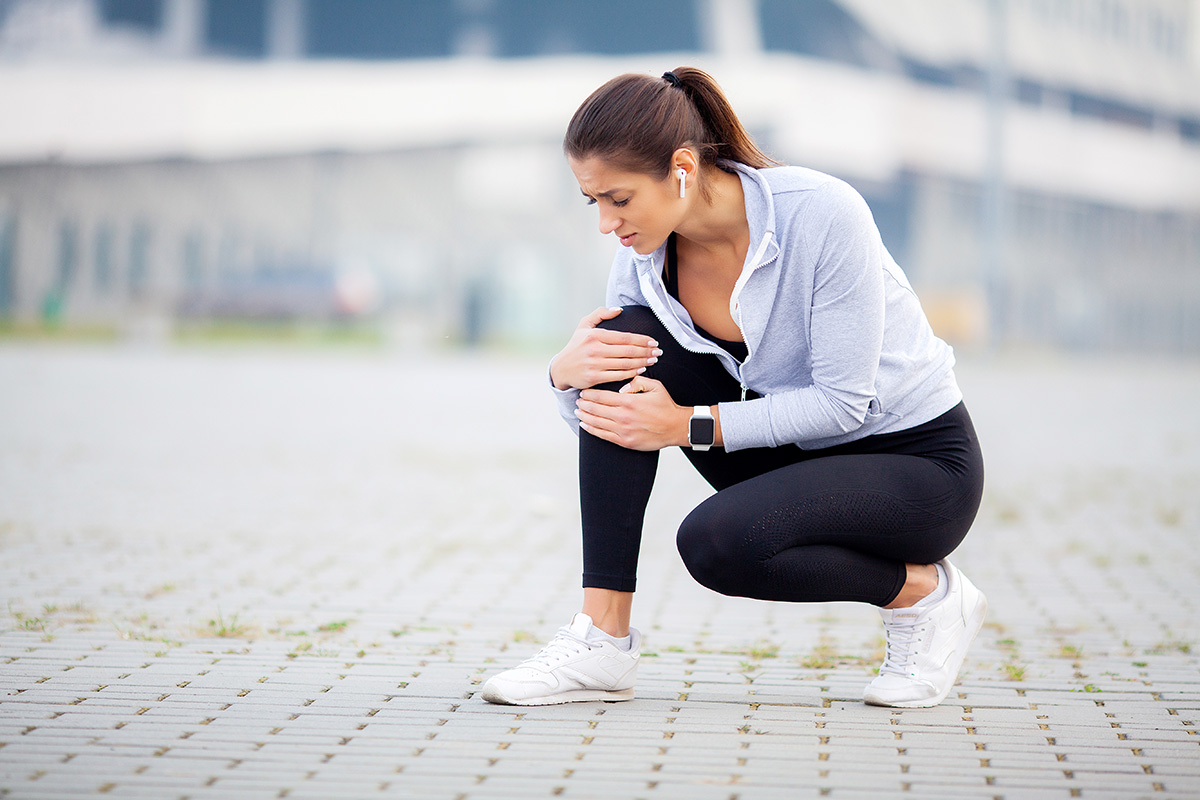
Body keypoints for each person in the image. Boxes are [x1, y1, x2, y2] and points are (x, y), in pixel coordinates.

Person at [480, 67, 986, 709]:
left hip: (915, 468)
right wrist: (564, 376)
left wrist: (686, 424)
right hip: (793, 453)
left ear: (682, 168)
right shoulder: (644, 255)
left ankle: (927, 598)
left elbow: (842, 402)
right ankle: (601, 640)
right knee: (622, 341)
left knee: (715, 544)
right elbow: (616, 414)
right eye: (595, 203)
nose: (607, 223)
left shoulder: (821, 214)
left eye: (619, 198)